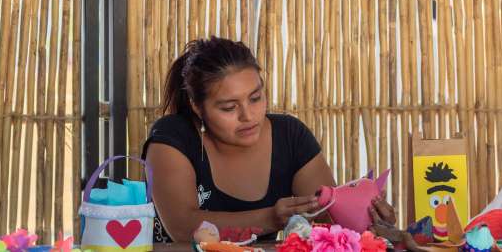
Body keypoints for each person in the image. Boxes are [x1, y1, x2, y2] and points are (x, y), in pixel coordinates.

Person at [142, 37, 396, 242]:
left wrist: (368, 221)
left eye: (255, 98)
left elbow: (327, 221)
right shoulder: (173, 139)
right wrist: (272, 218)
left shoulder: (290, 136)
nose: (248, 115)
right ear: (197, 107)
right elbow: (182, 228)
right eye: (229, 108)